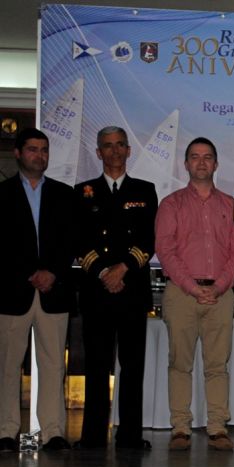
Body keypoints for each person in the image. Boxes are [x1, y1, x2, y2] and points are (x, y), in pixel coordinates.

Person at [155, 137, 234, 451]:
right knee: (180, 363)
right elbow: (166, 251)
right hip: (182, 293)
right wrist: (194, 288)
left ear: (216, 164)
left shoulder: (232, 205)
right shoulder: (171, 204)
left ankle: (218, 428)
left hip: (221, 294)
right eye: (195, 156)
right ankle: (180, 427)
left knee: (217, 365)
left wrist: (218, 287)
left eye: (207, 157)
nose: (202, 162)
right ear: (186, 164)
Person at [74, 126, 158, 450]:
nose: (114, 151)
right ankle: (93, 436)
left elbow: (149, 239)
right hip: (97, 292)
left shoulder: (144, 190)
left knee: (133, 367)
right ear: (98, 152)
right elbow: (79, 241)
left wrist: (123, 268)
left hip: (132, 291)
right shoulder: (83, 192)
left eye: (120, 144)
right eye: (107, 146)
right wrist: (103, 272)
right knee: (96, 366)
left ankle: (130, 436)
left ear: (128, 150)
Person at [0, 128, 74, 452]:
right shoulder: (2, 194)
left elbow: (70, 241)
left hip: (53, 291)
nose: (39, 155)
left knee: (54, 365)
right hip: (11, 292)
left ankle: (52, 432)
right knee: (7, 366)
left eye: (44, 150)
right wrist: (29, 273)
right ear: (18, 153)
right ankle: (6, 431)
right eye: (32, 149)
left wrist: (52, 272)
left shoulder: (64, 194)